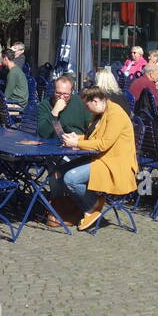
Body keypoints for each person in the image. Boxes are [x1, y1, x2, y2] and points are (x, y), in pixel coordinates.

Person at [55, 87, 139, 231]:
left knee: (71, 178)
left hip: (115, 164)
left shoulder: (115, 114)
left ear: (95, 101)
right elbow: (94, 137)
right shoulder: (101, 113)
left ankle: (91, 206)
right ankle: (84, 206)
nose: (88, 110)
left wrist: (76, 144)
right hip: (103, 158)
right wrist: (77, 138)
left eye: (87, 106)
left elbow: (103, 144)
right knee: (60, 170)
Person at [37, 73, 91, 139]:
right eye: (58, 93)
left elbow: (91, 127)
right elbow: (42, 134)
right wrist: (54, 112)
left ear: (71, 92)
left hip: (77, 140)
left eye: (65, 94)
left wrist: (80, 138)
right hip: (54, 144)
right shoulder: (45, 105)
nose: (62, 97)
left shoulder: (80, 102)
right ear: (54, 91)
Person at [0, 48, 28, 116]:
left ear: (5, 58)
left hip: (18, 104)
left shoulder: (12, 73)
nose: (0, 61)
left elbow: (7, 95)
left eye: (1, 58)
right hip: (20, 101)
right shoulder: (16, 69)